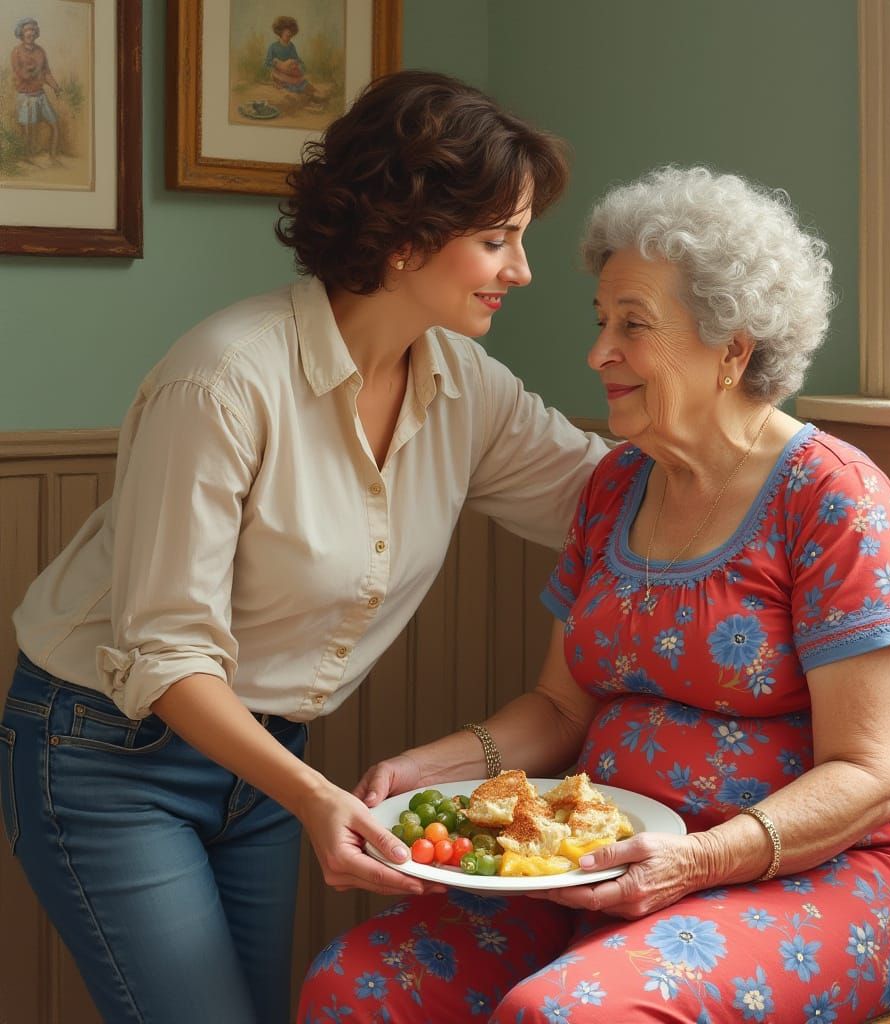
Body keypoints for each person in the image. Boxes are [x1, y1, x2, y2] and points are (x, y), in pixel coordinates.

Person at [0, 70, 610, 1024]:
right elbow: (166, 655)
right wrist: (314, 795)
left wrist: (788, 476)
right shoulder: (224, 381)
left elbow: (602, 499)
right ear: (406, 240)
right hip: (107, 753)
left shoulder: (466, 385)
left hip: (264, 761)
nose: (521, 271)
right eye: (497, 240)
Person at [298, 166, 890, 1023]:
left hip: (834, 871)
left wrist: (696, 861)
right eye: (603, 321)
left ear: (733, 348)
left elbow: (872, 775)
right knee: (354, 987)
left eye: (634, 326)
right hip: (608, 863)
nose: (598, 352)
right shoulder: (618, 485)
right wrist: (425, 769)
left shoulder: (835, 500)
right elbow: (558, 708)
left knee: (567, 1017)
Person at [11, 16, 61, 165]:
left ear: (36, 32)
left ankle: (53, 157)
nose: (30, 33)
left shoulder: (41, 51)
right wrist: (38, 72)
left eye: (33, 29)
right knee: (27, 131)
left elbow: (47, 73)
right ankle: (27, 161)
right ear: (21, 32)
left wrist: (56, 87)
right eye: (27, 29)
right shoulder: (16, 52)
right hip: (25, 97)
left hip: (40, 95)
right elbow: (23, 75)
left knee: (55, 124)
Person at [265, 16, 327, 108]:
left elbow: (296, 59)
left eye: (291, 33)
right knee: (292, 88)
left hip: (291, 73)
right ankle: (309, 103)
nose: (289, 35)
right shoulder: (273, 47)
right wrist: (278, 63)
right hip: (279, 75)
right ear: (281, 31)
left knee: (305, 84)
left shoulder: (291, 46)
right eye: (287, 33)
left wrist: (296, 64)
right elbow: (267, 62)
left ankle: (315, 101)